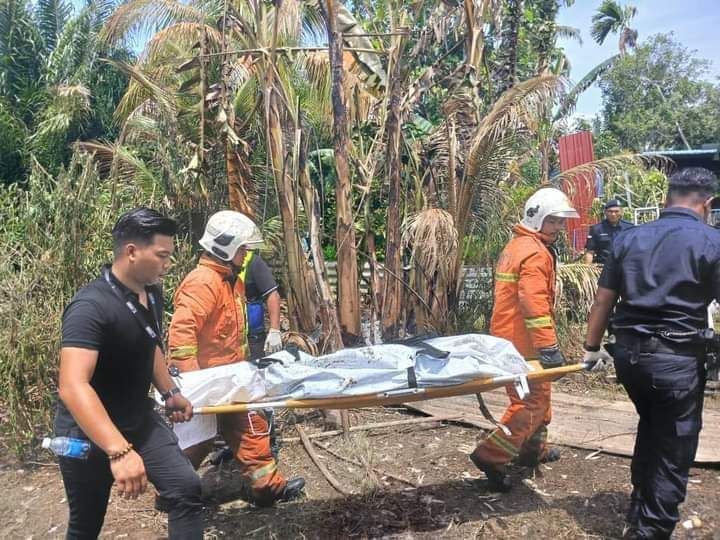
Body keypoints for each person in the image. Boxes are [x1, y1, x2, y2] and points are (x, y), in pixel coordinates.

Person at [583, 167, 720, 539]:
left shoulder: (628, 238)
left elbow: (603, 301)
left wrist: (591, 349)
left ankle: (639, 507)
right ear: (708, 203)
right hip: (676, 362)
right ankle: (651, 530)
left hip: (629, 359)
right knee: (674, 446)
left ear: (665, 198)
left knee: (652, 426)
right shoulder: (712, 242)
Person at [54, 207, 203, 539]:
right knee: (85, 525)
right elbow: (72, 385)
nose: (168, 264)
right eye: (162, 255)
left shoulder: (151, 293)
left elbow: (148, 344)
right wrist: (119, 451)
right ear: (132, 251)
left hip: (138, 419)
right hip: (88, 432)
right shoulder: (90, 307)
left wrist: (170, 392)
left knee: (185, 487)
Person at [167, 210, 305, 506]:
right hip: (206, 381)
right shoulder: (202, 282)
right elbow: (181, 336)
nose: (246, 254)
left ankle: (267, 488)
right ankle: (171, 493)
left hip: (229, 377)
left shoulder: (229, 280)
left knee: (251, 426)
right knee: (197, 442)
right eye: (243, 249)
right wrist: (192, 383)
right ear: (226, 248)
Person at [469, 188, 578, 491]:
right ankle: (491, 456)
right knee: (530, 402)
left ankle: (533, 451)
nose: (558, 227)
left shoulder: (517, 246)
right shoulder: (534, 252)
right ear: (536, 218)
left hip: (511, 337)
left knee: (539, 397)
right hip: (523, 342)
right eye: (553, 221)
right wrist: (548, 345)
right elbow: (533, 304)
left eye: (561, 221)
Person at [584, 199, 634, 265]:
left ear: (621, 212)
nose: (613, 214)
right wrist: (587, 270)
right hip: (603, 267)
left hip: (624, 266)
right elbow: (590, 252)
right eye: (610, 211)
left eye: (616, 211)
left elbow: (635, 249)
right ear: (605, 212)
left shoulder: (629, 227)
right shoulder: (597, 229)